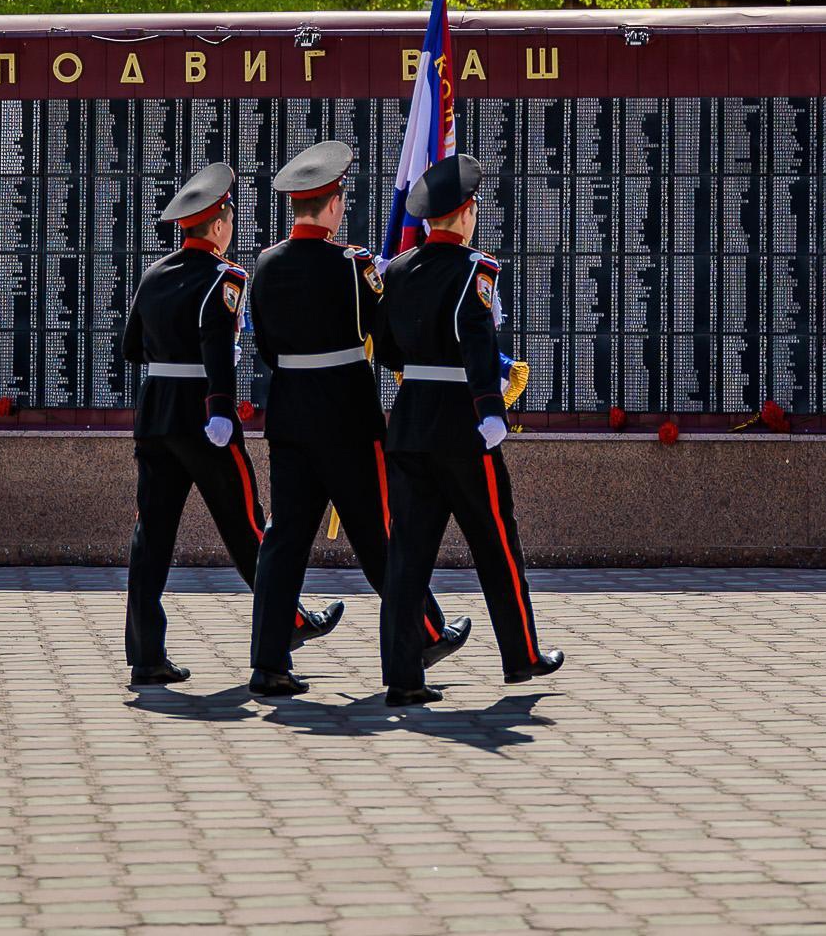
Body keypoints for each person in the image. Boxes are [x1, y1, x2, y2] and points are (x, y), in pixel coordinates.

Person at [243, 140, 469, 697]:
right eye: (342, 199)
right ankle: (423, 632)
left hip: (290, 414)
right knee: (382, 537)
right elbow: (386, 335)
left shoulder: (264, 266)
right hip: (347, 417)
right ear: (334, 204)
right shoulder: (354, 266)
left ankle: (268, 663)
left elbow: (266, 347)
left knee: (284, 539)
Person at [120, 161, 340, 686]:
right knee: (248, 528)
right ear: (218, 226)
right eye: (231, 223)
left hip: (155, 416)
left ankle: (145, 654)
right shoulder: (225, 277)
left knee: (151, 536)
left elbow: (130, 347)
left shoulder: (153, 276)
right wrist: (221, 404)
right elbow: (217, 347)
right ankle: (286, 622)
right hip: (203, 416)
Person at [376, 153, 563, 705]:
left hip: (409, 422)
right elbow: (477, 341)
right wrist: (489, 409)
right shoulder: (473, 271)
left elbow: (386, 350)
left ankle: (403, 675)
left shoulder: (398, 271)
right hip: (460, 424)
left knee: (408, 554)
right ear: (466, 213)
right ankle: (521, 655)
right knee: (496, 542)